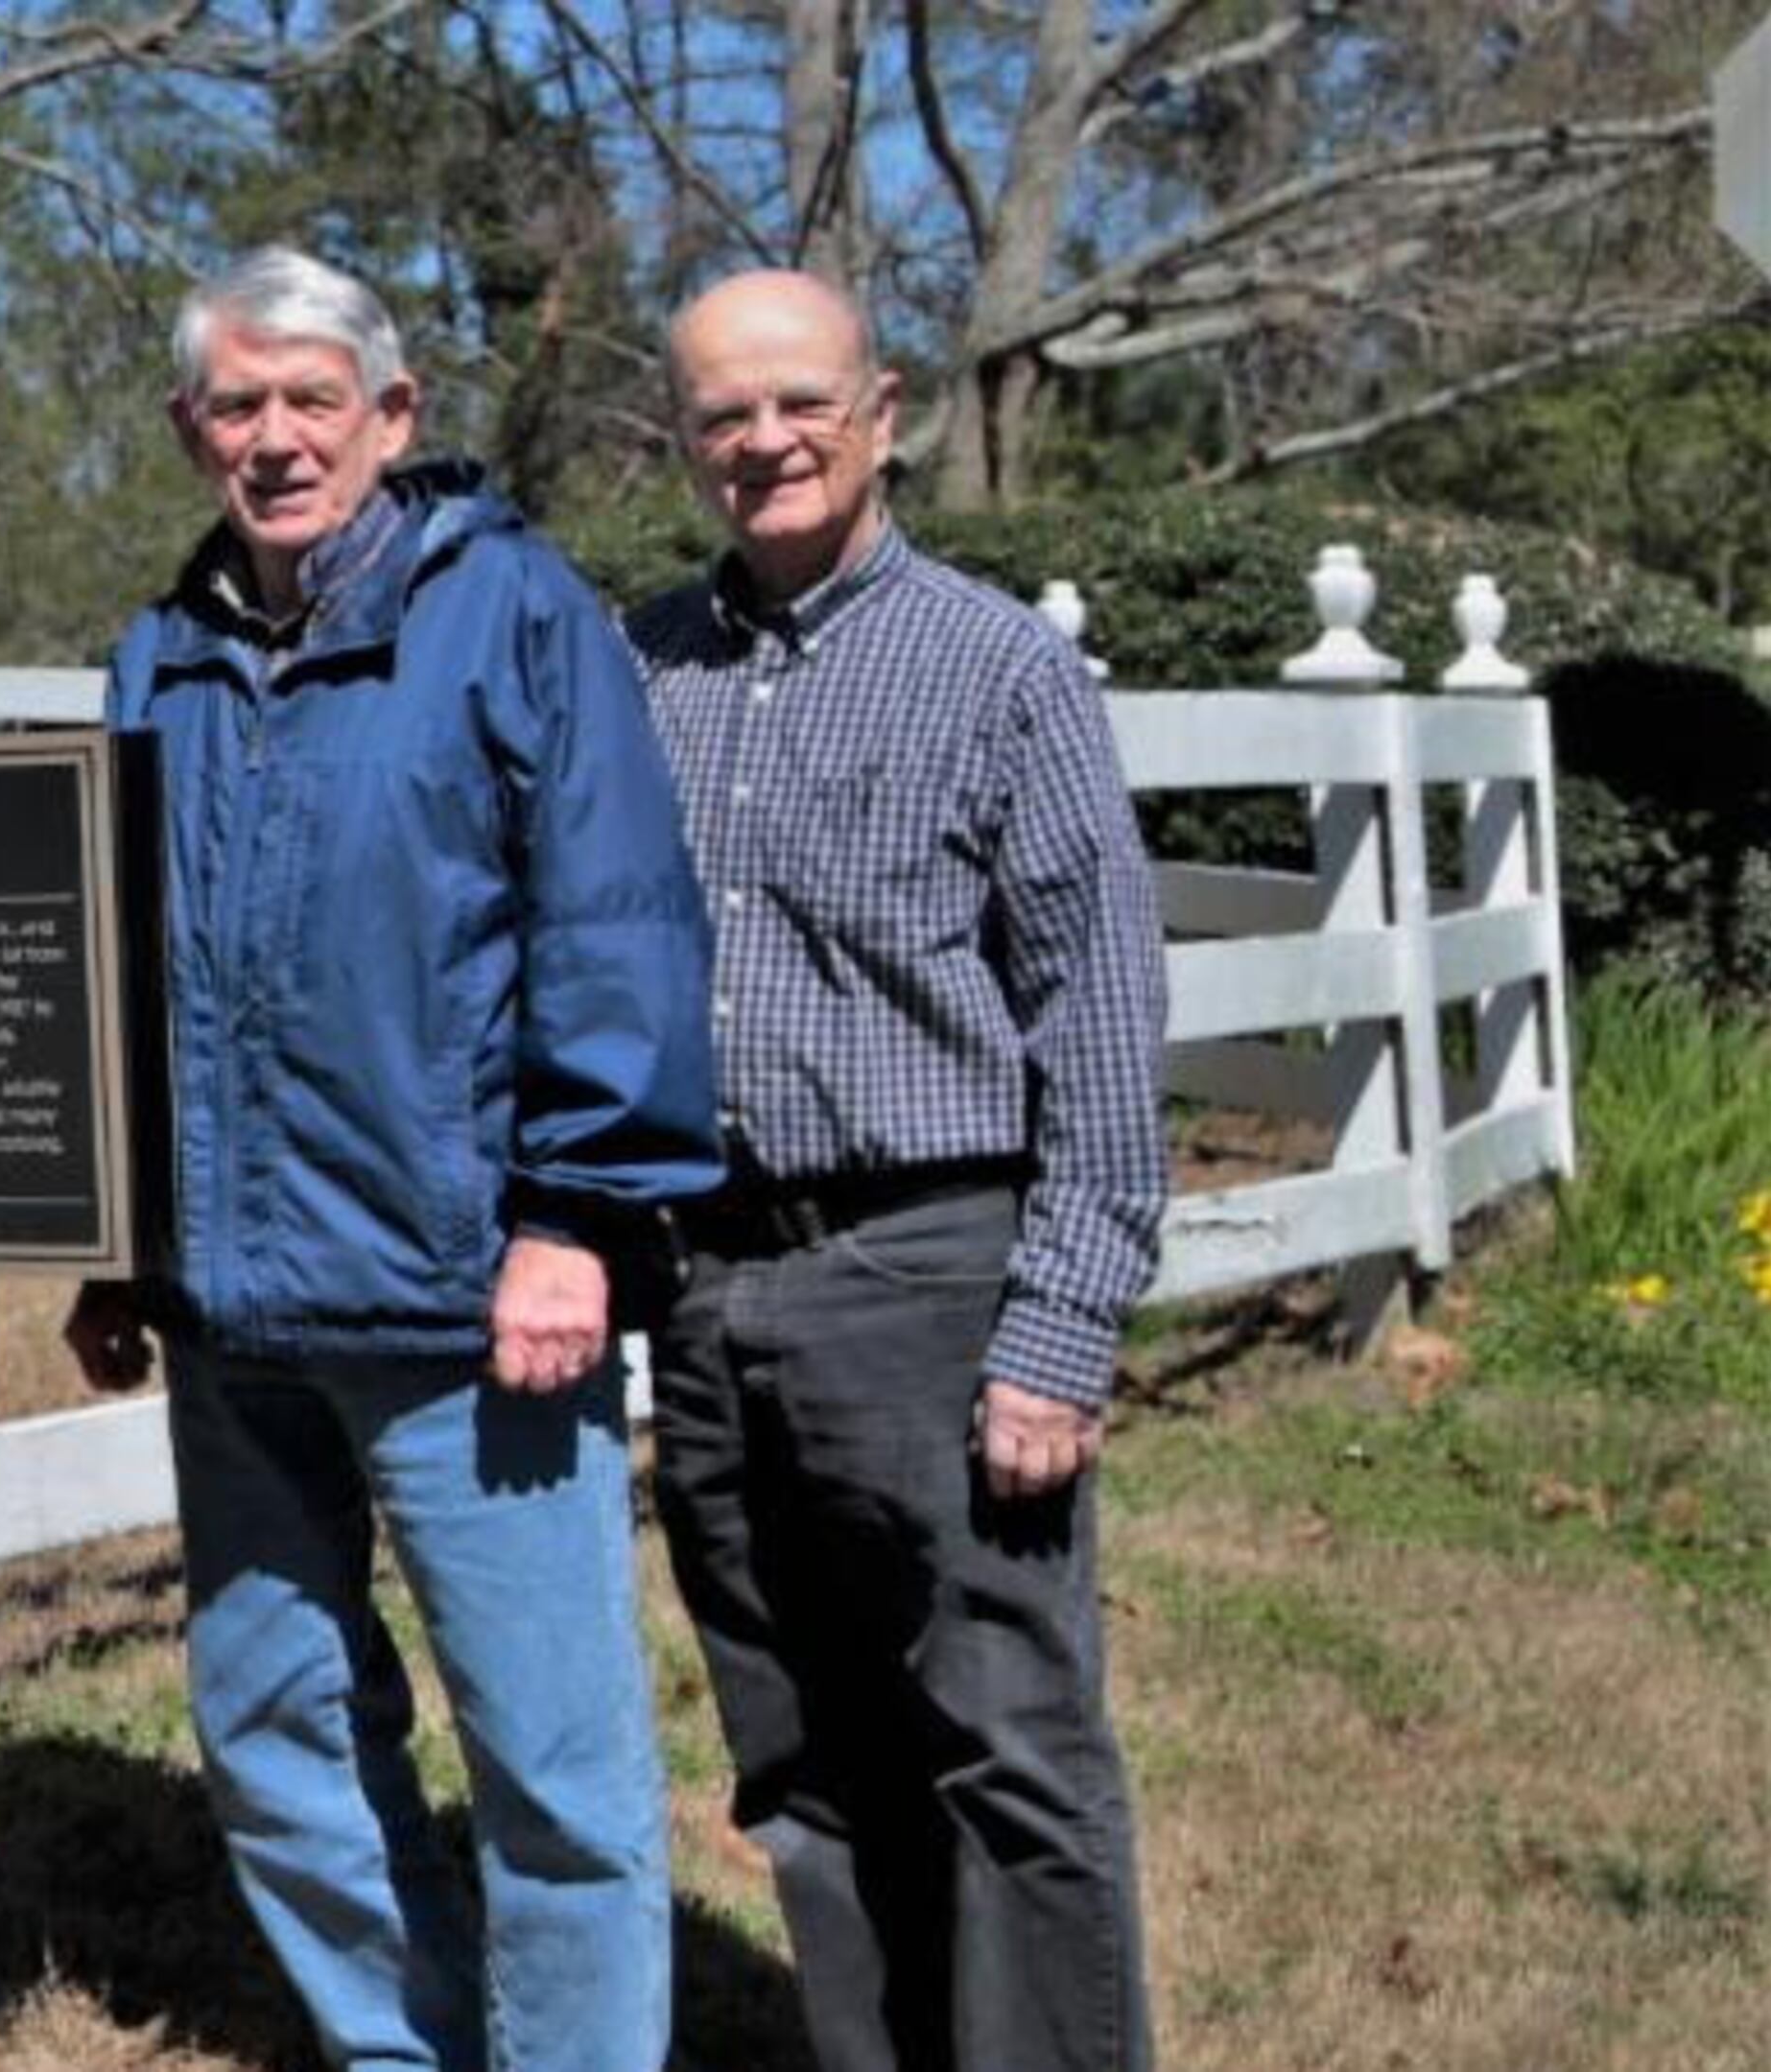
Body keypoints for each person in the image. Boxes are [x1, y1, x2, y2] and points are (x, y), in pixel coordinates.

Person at [65, 247, 721, 2072]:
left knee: (553, 1761)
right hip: (232, 1308)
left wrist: (576, 1219)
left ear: (390, 414)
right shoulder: (164, 651)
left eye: (312, 402)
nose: (276, 441)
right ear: (199, 426)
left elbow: (614, 919)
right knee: (273, 1726)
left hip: (463, 1298)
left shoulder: (511, 614)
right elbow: (122, 962)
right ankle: (401, 2046)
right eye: (239, 407)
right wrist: (121, 1238)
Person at [627, 269, 1168, 2072]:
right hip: (708, 1286)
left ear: (884, 410)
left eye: (800, 403)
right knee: (799, 1761)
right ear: (683, 437)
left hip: (929, 1272)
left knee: (1004, 1746)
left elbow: (1095, 1016)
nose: (763, 441)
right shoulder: (649, 668)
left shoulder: (1000, 667)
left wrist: (1061, 1329)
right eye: (724, 414)